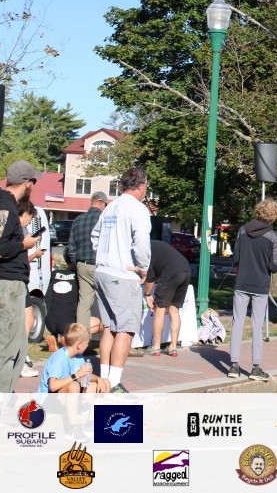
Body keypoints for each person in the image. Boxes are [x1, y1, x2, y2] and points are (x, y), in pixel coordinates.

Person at [0, 160, 40, 393]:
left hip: (10, 282)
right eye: (33, 182)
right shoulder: (3, 206)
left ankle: (1, 396)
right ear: (27, 183)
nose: (33, 186)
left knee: (16, 347)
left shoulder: (3, 205)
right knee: (3, 346)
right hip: (4, 283)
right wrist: (25, 243)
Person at [90, 167, 152, 393]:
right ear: (141, 186)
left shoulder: (110, 207)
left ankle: (104, 379)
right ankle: (114, 384)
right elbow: (142, 242)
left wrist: (103, 255)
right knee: (125, 330)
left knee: (109, 328)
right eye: (146, 187)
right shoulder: (137, 209)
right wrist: (143, 268)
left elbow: (95, 236)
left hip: (102, 271)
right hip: (123, 274)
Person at [227, 198, 277, 382]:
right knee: (257, 326)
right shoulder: (274, 237)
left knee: (238, 323)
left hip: (242, 282)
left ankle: (234, 365)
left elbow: (236, 257)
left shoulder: (243, 230)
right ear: (274, 216)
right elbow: (275, 266)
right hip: (260, 284)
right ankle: (255, 368)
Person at [66, 192, 107, 330]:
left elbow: (71, 247)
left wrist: (75, 262)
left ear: (92, 202)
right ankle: (109, 337)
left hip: (82, 265)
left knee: (84, 304)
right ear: (103, 204)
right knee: (109, 301)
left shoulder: (78, 220)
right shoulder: (104, 219)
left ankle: (80, 338)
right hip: (101, 266)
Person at [143, 240, 190, 356]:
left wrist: (147, 294)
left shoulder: (144, 251)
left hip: (171, 273)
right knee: (174, 310)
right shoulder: (155, 245)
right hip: (186, 270)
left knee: (160, 309)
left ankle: (156, 347)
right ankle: (173, 347)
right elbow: (158, 269)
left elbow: (150, 278)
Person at [17, 198, 46, 378]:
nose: (29, 222)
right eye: (29, 217)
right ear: (25, 214)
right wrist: (29, 247)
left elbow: (21, 259)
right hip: (17, 280)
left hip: (22, 279)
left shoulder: (22, 231)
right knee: (26, 320)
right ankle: (19, 360)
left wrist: (33, 254)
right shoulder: (19, 231)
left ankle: (20, 357)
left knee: (27, 320)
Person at [38, 323, 110, 393]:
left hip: (66, 391)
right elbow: (53, 386)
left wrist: (98, 379)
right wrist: (77, 375)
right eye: (87, 343)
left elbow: (84, 375)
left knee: (105, 383)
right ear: (79, 345)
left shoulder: (78, 357)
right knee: (74, 386)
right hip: (49, 396)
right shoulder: (58, 358)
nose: (87, 346)